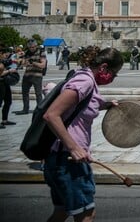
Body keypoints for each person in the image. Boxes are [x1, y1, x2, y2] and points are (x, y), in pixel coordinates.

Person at [43, 46, 123, 222]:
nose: (113, 78)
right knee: (86, 215)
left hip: (60, 159)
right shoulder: (84, 82)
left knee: (62, 212)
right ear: (103, 67)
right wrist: (73, 148)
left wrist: (105, 104)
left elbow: (78, 106)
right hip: (68, 160)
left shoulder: (85, 78)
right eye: (113, 73)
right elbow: (51, 115)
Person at [15, 39, 48, 115]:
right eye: (30, 47)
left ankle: (40, 110)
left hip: (37, 76)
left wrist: (33, 62)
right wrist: (20, 61)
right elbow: (23, 64)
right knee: (25, 92)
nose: (31, 49)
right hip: (27, 75)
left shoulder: (41, 52)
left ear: (36, 46)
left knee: (38, 94)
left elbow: (43, 65)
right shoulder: (27, 53)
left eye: (33, 47)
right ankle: (25, 109)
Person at [0, 47, 19, 127]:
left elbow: (10, 61)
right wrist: (9, 71)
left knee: (8, 101)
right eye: (4, 54)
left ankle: (4, 120)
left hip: (5, 82)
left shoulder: (3, 62)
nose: (6, 55)